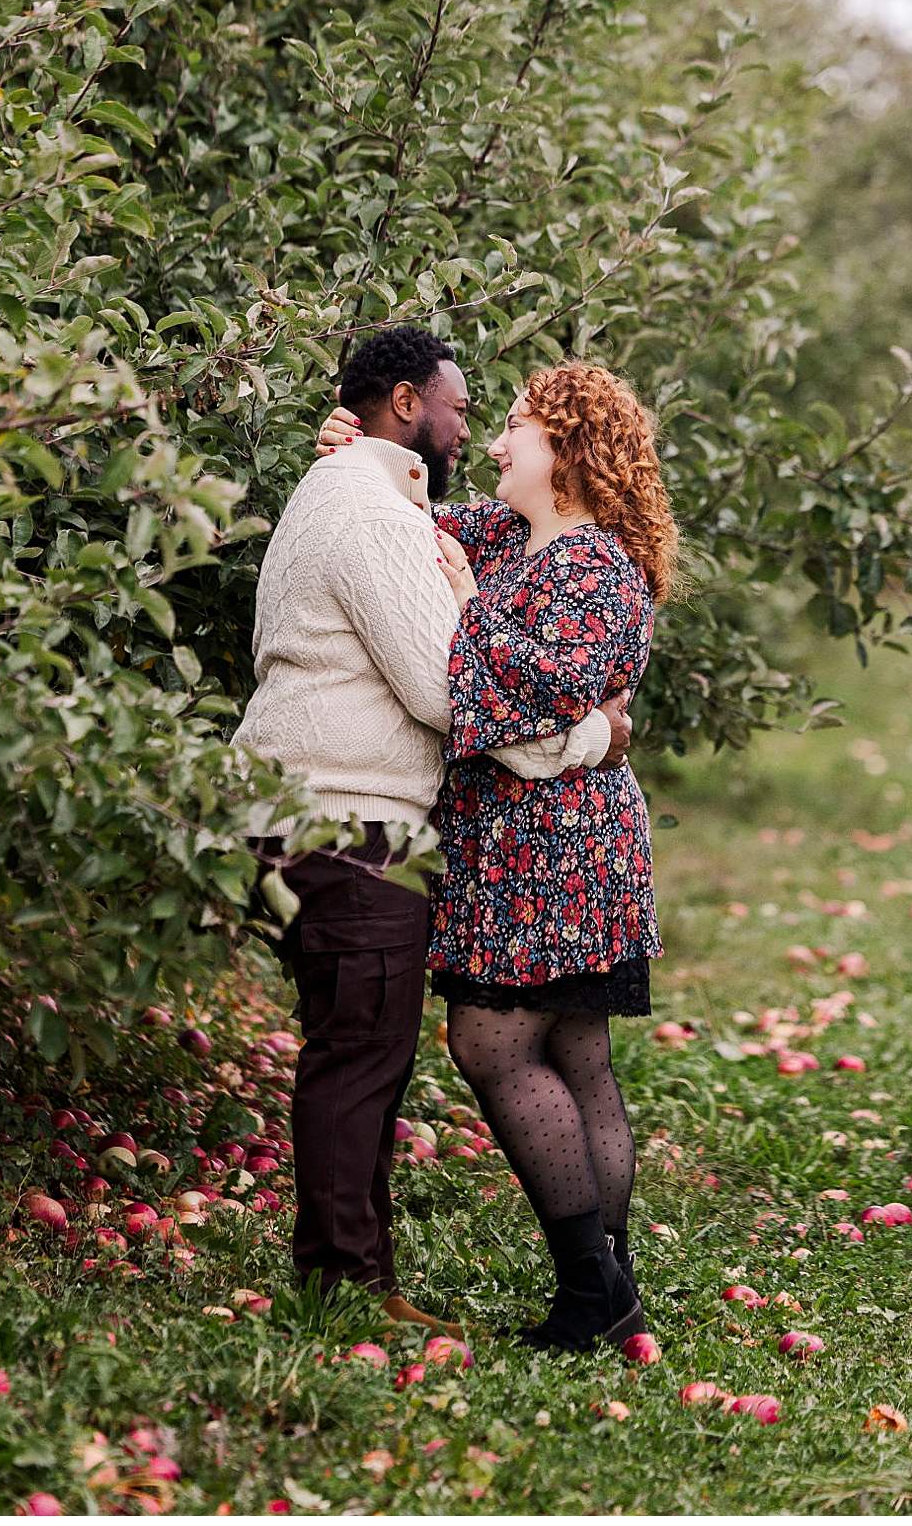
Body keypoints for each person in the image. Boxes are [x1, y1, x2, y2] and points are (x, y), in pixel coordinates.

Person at [234, 328, 626, 1335]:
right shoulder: (369, 513)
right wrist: (591, 731)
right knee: (358, 1055)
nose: (476, 428)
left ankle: (370, 1277)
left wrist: (364, 459)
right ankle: (345, 1288)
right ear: (405, 401)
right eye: (462, 406)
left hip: (332, 816)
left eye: (507, 422)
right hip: (348, 822)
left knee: (361, 1052)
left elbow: (443, 540)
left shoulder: (357, 493)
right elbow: (452, 693)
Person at [319, 359, 673, 1351]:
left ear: (566, 452)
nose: (497, 440)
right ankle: (608, 1289)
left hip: (559, 845)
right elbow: (408, 527)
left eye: (516, 425)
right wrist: (361, 456)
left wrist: (471, 600)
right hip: (521, 841)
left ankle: (588, 1288)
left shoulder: (599, 565)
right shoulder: (511, 533)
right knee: (573, 1051)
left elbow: (535, 692)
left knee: (491, 1043)